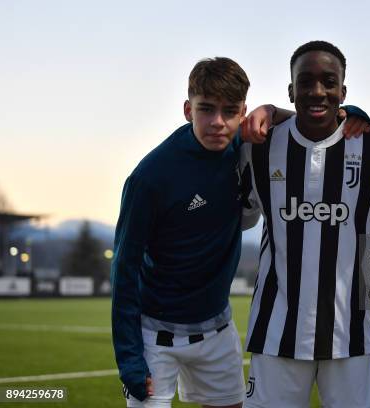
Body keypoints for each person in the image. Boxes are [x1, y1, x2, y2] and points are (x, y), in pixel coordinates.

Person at [239, 40, 370, 408]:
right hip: (275, 334)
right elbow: (241, 217)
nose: (317, 91)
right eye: (306, 81)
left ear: (342, 92)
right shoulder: (260, 148)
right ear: (291, 90)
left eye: (329, 82)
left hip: (350, 337)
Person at [111, 57, 252, 408]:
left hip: (218, 331)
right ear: (188, 109)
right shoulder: (150, 177)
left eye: (229, 111)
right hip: (154, 337)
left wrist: (348, 112)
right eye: (206, 109)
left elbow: (310, 122)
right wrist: (129, 358)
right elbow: (124, 270)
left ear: (243, 113)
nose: (217, 122)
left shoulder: (245, 150)